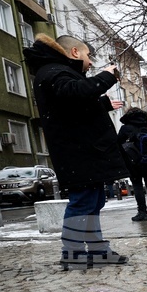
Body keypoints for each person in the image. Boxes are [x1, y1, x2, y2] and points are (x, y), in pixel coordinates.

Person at [22, 33, 128, 268]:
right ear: (74, 52)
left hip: (82, 152)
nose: (90, 62)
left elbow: (71, 107)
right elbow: (75, 93)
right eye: (88, 56)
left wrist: (102, 104)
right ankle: (73, 253)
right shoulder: (54, 71)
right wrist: (106, 76)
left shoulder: (55, 71)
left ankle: (97, 250)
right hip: (78, 153)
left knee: (92, 202)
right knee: (83, 203)